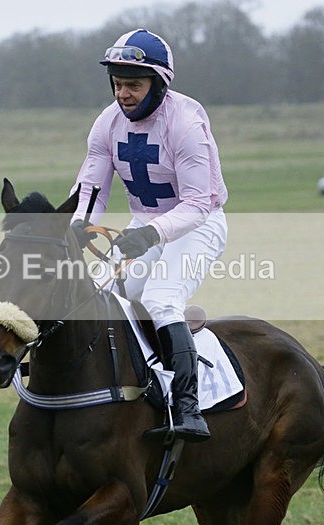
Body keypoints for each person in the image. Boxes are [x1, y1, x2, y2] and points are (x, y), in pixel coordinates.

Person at [70, 29, 229, 443]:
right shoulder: (106, 123)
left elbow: (198, 203)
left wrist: (150, 235)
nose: (122, 94)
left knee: (160, 298)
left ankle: (188, 408)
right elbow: (91, 188)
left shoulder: (186, 124)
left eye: (133, 85)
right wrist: (76, 226)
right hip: (146, 225)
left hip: (199, 225)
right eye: (117, 83)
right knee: (98, 295)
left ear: (158, 83)